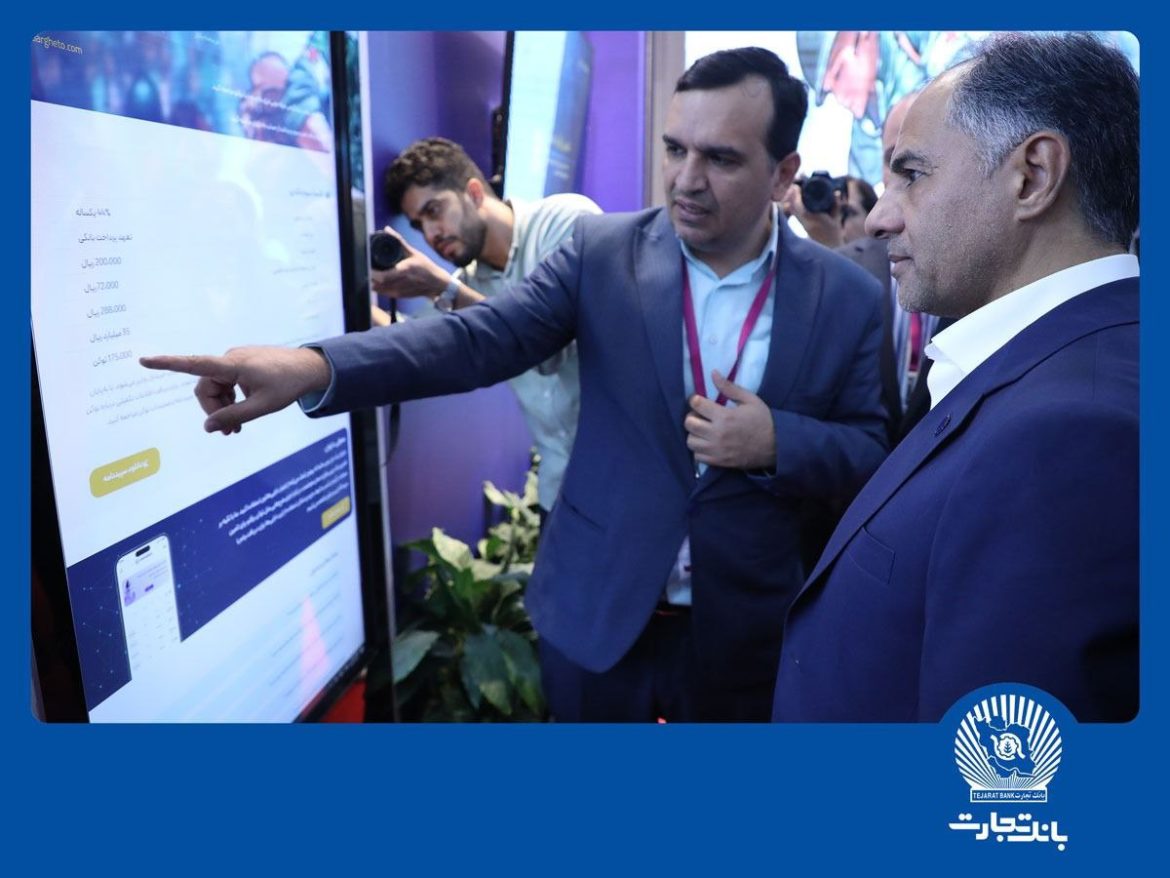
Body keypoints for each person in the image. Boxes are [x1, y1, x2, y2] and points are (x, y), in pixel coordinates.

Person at [142, 47, 888, 722]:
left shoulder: (850, 297)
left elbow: (871, 453)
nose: (687, 179)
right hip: (596, 626)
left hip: (744, 643)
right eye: (674, 149)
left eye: (720, 158)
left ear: (783, 173)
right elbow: (481, 339)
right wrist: (315, 366)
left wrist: (777, 442)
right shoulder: (604, 253)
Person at [773, 32, 1139, 723]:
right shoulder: (1062, 374)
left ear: (1033, 176)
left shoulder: (1067, 436)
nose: (879, 216)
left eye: (912, 174)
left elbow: (1002, 772)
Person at [373, 137, 601, 514]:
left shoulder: (565, 222)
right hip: (558, 494)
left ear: (474, 193)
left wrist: (442, 288)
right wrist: (351, 290)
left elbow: (548, 350)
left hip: (622, 482)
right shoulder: (467, 283)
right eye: (419, 225)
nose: (430, 235)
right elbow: (412, 341)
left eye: (434, 211)